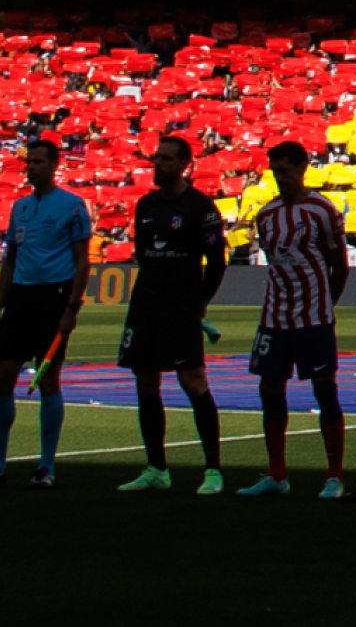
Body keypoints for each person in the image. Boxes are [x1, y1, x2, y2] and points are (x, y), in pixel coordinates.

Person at [0, 136, 89, 489]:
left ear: (53, 165)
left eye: (38, 161)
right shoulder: (19, 207)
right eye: (29, 162)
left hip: (54, 299)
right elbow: (10, 261)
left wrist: (72, 308)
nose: (32, 167)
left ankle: (45, 467)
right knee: (1, 379)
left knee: (48, 380)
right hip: (19, 300)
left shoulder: (73, 205)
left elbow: (83, 261)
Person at [116, 135, 227, 495]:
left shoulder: (200, 206)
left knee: (193, 382)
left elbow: (216, 262)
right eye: (156, 157)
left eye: (165, 158)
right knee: (145, 382)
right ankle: (156, 469)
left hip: (181, 308)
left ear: (184, 165)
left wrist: (201, 300)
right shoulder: (146, 205)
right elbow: (143, 256)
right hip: (146, 306)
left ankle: (213, 470)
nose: (157, 163)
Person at [240, 138, 351, 499]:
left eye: (285, 171)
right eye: (275, 172)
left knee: (323, 388)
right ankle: (277, 474)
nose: (279, 178)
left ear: (302, 169)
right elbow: (274, 261)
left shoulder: (322, 209)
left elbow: (339, 265)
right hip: (275, 316)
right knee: (269, 387)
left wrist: (325, 304)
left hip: (314, 316)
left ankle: (334, 477)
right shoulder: (267, 214)